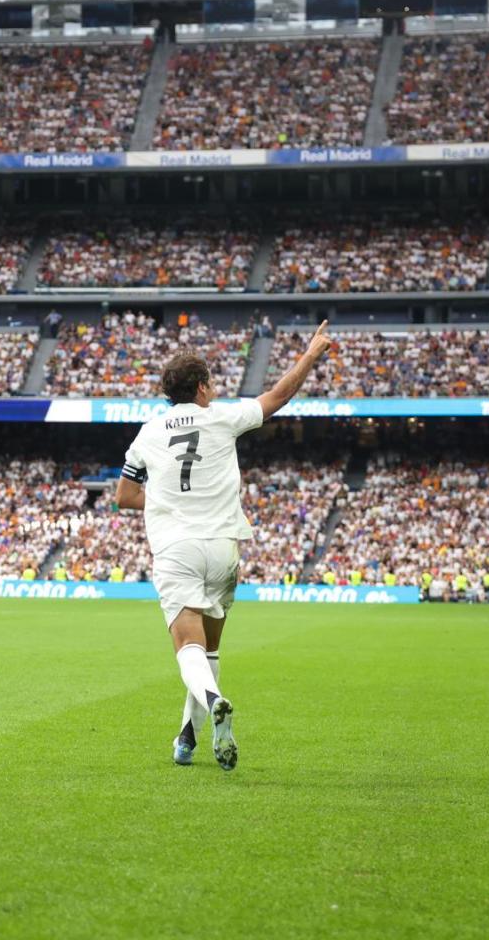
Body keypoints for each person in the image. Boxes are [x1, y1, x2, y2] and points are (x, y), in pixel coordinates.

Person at [115, 320, 332, 772]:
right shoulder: (223, 417)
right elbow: (277, 399)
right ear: (199, 387)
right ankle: (188, 738)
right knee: (209, 651)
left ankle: (213, 700)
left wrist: (169, 500)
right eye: (211, 383)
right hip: (225, 548)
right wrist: (310, 356)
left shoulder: (148, 433)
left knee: (187, 649)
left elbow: (125, 496)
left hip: (178, 548)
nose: (213, 390)